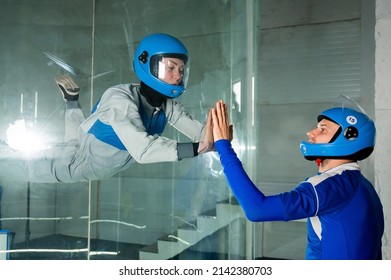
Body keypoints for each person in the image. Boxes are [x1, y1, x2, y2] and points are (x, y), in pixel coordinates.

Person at [0, 33, 214, 183]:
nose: (177, 76)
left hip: (92, 156)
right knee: (17, 165)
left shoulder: (165, 105)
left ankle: (71, 101)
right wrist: (198, 148)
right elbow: (143, 150)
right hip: (82, 164)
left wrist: (218, 136)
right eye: (171, 67)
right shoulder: (120, 98)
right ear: (147, 63)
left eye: (181, 69)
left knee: (72, 146)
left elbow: (200, 133)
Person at [211, 99, 384, 260]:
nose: (311, 133)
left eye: (323, 129)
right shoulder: (363, 185)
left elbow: (257, 209)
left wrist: (223, 146)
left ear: (348, 137)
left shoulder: (330, 186)